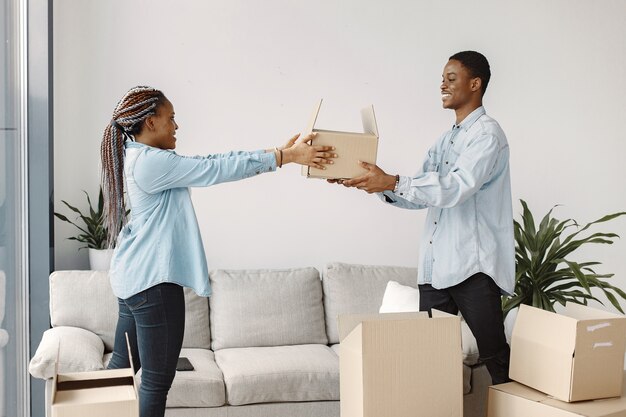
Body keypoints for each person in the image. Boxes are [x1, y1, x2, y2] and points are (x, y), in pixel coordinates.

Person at [100, 86, 336, 417]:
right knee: (155, 381)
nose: (177, 126)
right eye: (171, 119)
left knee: (122, 371)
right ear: (150, 122)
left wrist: (278, 152)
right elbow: (215, 170)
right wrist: (285, 158)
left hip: (134, 280)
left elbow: (211, 162)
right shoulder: (151, 163)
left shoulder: (139, 157)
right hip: (153, 283)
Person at [331, 51, 514, 384]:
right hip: (435, 269)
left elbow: (456, 188)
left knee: (496, 358)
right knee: (428, 362)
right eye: (442, 78)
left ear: (475, 84)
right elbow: (420, 195)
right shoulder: (445, 140)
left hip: (472, 268)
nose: (442, 84)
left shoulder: (487, 135)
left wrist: (392, 181)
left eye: (451, 78)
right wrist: (375, 184)